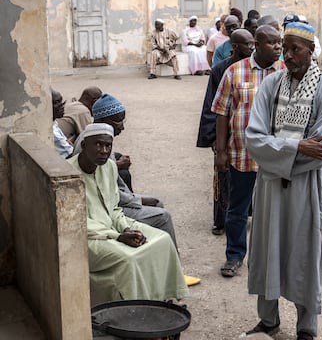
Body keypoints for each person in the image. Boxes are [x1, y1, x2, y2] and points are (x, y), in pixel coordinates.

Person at [243, 22, 322, 340]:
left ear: (311, 51)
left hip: (306, 188)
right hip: (271, 187)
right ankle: (268, 321)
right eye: (284, 48)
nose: (287, 55)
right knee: (268, 250)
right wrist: (296, 145)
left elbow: (321, 151)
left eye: (295, 49)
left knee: (305, 254)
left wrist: (278, 157)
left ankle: (306, 328)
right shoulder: (271, 85)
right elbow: (253, 139)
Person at [68, 123, 188, 304]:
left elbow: (114, 208)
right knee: (130, 259)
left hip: (113, 228)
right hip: (86, 239)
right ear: (84, 146)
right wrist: (117, 236)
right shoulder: (67, 174)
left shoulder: (108, 167)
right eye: (98, 145)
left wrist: (125, 228)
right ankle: (135, 313)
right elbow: (77, 223)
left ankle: (160, 299)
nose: (104, 151)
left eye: (108, 146)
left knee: (162, 240)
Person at [211, 25, 284, 278]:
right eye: (273, 43)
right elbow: (221, 112)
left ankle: (271, 258)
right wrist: (220, 151)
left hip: (276, 157)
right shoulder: (234, 72)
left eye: (280, 43)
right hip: (242, 154)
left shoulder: (286, 72)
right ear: (258, 44)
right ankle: (234, 256)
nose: (278, 48)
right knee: (238, 209)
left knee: (274, 209)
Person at [196, 29, 256, 236]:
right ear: (236, 47)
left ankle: (246, 215)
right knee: (223, 179)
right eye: (248, 44)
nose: (252, 48)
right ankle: (220, 221)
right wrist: (214, 139)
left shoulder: (255, 69)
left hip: (245, 135)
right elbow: (212, 106)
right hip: (225, 135)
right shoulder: (221, 69)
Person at [52, 89, 73, 158]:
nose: (62, 106)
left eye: (61, 101)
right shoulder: (53, 133)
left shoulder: (53, 123)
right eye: (57, 102)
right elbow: (71, 154)